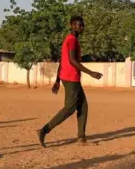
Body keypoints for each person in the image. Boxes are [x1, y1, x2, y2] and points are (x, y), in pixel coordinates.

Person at [37, 16, 102, 147]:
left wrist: (57, 80)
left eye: (82, 25)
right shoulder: (72, 40)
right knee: (69, 108)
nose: (81, 27)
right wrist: (91, 73)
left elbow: (63, 60)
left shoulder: (70, 40)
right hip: (71, 79)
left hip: (70, 78)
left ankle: (81, 138)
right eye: (78, 25)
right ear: (72, 25)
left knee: (83, 107)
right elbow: (72, 60)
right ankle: (44, 130)